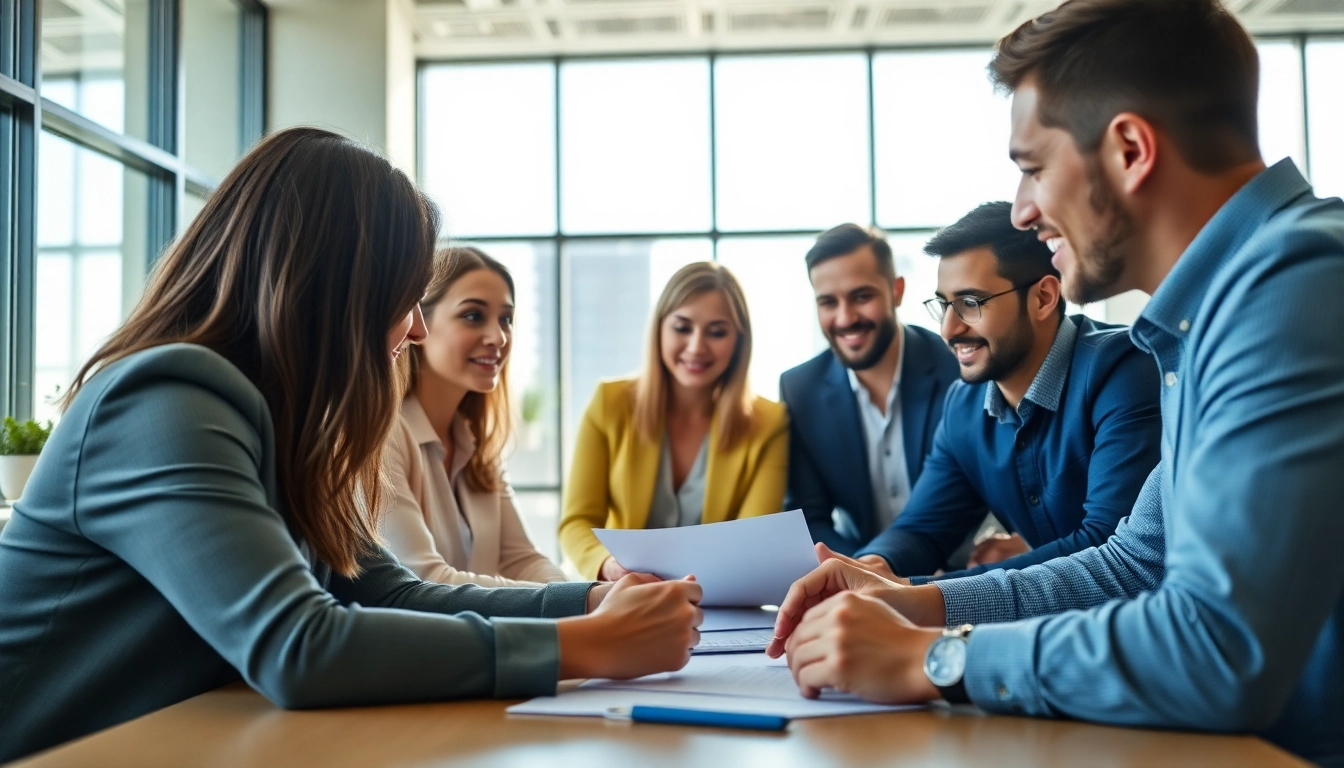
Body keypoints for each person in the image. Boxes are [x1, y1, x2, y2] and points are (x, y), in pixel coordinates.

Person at [0, 128, 702, 763]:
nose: (417, 332)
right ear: (333, 292)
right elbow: (298, 646)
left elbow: (388, 591)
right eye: (404, 298)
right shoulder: (165, 400)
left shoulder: (281, 423)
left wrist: (589, 604)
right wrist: (583, 646)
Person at [768, 1, 1344, 765]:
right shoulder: (1208, 318)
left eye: (1033, 168)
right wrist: (912, 605)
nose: (1024, 210)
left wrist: (938, 660)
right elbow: (1132, 563)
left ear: (1132, 149)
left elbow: (1218, 648)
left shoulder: (1291, 285)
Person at [852, 201, 1160, 581]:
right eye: (944, 305)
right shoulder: (963, 407)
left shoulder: (1124, 372)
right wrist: (870, 569)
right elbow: (921, 529)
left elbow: (1106, 546)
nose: (949, 330)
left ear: (1044, 298)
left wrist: (914, 593)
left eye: (969, 303)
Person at [560, 261, 789, 581]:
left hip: (717, 601)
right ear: (659, 329)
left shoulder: (769, 423)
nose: (697, 347)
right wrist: (609, 566)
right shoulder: (609, 404)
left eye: (717, 332)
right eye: (682, 328)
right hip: (623, 593)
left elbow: (750, 544)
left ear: (739, 340)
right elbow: (576, 521)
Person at [379, 246, 564, 586]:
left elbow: (522, 559)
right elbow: (425, 581)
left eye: (506, 318)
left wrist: (598, 598)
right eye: (473, 316)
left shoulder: (476, 442)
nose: (499, 337)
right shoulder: (383, 436)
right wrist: (588, 602)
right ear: (419, 323)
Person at [780, 224, 960, 555]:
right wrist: (866, 573)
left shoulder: (956, 368)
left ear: (896, 290)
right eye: (828, 302)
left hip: (958, 575)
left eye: (861, 297)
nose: (845, 318)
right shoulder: (799, 390)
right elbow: (809, 520)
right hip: (857, 576)